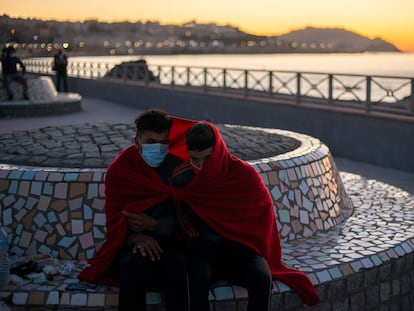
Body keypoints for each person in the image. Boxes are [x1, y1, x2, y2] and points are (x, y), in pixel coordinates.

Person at [171, 122, 320, 311]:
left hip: (241, 249)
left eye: (207, 158)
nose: (200, 165)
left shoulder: (243, 174)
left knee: (262, 279)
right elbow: (178, 215)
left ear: (218, 151)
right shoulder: (181, 176)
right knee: (195, 280)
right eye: (194, 159)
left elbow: (262, 216)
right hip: (204, 249)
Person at [78, 109, 197, 311]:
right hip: (130, 245)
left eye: (164, 142)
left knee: (178, 264)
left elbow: (189, 218)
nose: (158, 148)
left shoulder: (178, 169)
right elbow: (115, 219)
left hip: (170, 241)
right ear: (137, 140)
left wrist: (156, 225)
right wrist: (135, 238)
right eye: (151, 142)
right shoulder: (121, 169)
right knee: (135, 265)